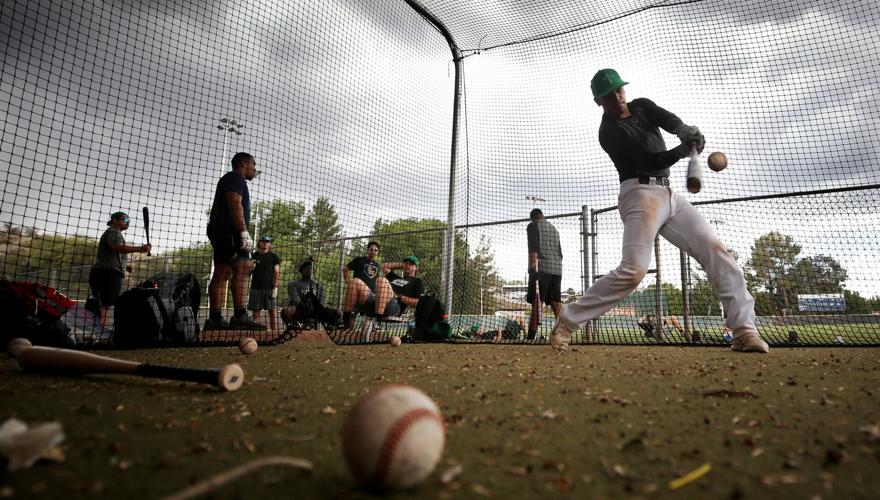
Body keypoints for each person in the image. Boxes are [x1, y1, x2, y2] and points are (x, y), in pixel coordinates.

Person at [548, 68, 768, 353]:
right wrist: (682, 151)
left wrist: (684, 131)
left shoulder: (641, 105)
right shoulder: (609, 132)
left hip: (668, 193)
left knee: (716, 251)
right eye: (609, 95)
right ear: (598, 101)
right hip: (638, 194)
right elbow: (652, 161)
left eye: (619, 90)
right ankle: (567, 320)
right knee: (634, 270)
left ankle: (743, 331)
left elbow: (666, 118)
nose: (618, 97)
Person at [205, 152, 265, 330]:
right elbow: (234, 203)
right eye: (253, 165)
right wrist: (243, 232)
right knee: (242, 268)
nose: (255, 169)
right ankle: (239, 316)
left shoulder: (232, 179)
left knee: (222, 271)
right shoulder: (235, 178)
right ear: (244, 164)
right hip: (230, 232)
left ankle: (215, 319)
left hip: (222, 232)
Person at [89, 211, 151, 327]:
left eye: (128, 220)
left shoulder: (115, 233)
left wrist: (125, 266)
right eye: (125, 219)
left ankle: (98, 330)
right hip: (108, 273)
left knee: (104, 303)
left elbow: (113, 254)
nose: (127, 222)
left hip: (106, 271)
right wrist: (141, 249)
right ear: (115, 220)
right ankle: (100, 331)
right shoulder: (113, 231)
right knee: (106, 305)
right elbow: (116, 248)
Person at [526, 208, 563, 338]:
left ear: (533, 217)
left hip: (541, 269)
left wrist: (532, 267)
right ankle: (562, 332)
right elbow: (560, 253)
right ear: (542, 216)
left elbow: (533, 248)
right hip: (557, 269)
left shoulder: (533, 226)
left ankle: (531, 336)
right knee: (555, 302)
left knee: (537, 302)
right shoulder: (554, 229)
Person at [341, 241, 380, 329]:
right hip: (356, 294)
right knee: (351, 316)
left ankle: (374, 325)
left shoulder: (377, 265)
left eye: (376, 250)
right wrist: (349, 282)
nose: (373, 251)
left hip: (369, 297)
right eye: (371, 249)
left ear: (377, 252)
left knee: (368, 319)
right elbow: (345, 269)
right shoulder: (359, 260)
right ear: (368, 250)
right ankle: (347, 331)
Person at [248, 235, 280, 331]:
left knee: (273, 312)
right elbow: (247, 273)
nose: (266, 243)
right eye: (264, 241)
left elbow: (276, 271)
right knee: (256, 313)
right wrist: (250, 267)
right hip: (255, 288)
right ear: (259, 243)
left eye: (268, 242)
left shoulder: (274, 256)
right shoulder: (253, 255)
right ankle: (256, 333)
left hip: (270, 288)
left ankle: (274, 332)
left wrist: (275, 286)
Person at [283, 259, 327, 328]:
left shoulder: (320, 286)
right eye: (308, 268)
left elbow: (322, 301)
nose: (310, 270)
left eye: (312, 269)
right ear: (302, 270)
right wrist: (306, 308)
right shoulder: (293, 284)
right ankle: (296, 325)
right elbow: (295, 300)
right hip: (299, 310)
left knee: (337, 312)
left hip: (314, 310)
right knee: (286, 312)